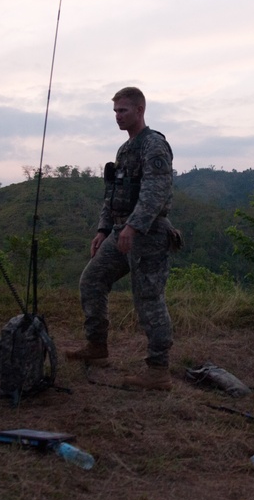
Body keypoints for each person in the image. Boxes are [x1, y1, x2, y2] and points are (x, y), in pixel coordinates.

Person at [65, 87, 179, 390]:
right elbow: (112, 194)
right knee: (92, 280)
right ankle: (97, 347)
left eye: (123, 111)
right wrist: (103, 230)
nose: (117, 116)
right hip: (120, 232)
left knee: (148, 298)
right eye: (115, 111)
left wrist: (133, 226)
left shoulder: (153, 145)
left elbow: (156, 192)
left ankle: (158, 370)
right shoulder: (125, 150)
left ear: (140, 110)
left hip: (148, 233)